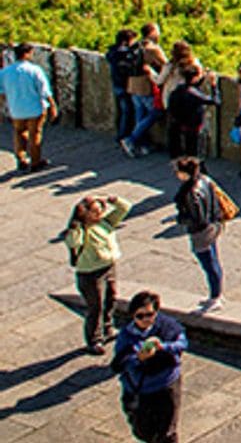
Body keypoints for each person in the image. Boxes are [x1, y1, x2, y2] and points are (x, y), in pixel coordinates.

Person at [112, 290, 188, 443]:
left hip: (166, 383)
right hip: (140, 388)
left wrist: (163, 347)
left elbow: (182, 343)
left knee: (167, 430)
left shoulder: (168, 326)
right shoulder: (126, 336)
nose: (146, 319)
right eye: (140, 316)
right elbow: (120, 361)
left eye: (150, 314)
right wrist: (138, 358)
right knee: (143, 430)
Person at [64, 193, 130, 353]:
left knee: (111, 298)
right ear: (84, 213)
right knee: (96, 306)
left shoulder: (105, 223)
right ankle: (94, 339)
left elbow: (124, 209)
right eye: (94, 211)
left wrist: (114, 200)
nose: (98, 214)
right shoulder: (82, 229)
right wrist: (75, 227)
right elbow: (73, 242)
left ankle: (108, 328)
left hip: (108, 266)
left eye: (100, 210)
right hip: (90, 273)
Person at [172, 157, 226, 312]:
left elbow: (197, 217)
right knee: (214, 261)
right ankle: (217, 293)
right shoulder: (205, 180)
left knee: (208, 264)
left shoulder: (189, 193)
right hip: (214, 225)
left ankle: (215, 297)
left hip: (201, 232)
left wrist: (180, 219)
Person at [1, 42, 56, 172]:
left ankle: (21, 158)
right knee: (35, 134)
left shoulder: (5, 72)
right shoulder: (35, 70)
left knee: (19, 132)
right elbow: (44, 91)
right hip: (35, 108)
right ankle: (35, 162)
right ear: (27, 54)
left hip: (16, 109)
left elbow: (1, 92)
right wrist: (52, 106)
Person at [156, 42, 212, 159]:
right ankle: (191, 156)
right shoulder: (194, 63)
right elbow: (200, 77)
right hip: (190, 99)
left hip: (172, 98)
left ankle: (175, 154)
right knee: (190, 131)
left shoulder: (170, 66)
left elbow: (159, 81)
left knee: (174, 129)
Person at [126, 23, 167, 155]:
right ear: (152, 33)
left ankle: (140, 144)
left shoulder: (136, 45)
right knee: (155, 113)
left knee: (140, 115)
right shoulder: (152, 49)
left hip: (132, 85)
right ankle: (131, 139)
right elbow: (166, 65)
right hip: (146, 86)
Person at [107, 29, 143, 157]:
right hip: (124, 85)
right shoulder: (122, 54)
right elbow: (129, 65)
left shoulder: (112, 52)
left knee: (123, 111)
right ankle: (124, 136)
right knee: (127, 112)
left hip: (117, 85)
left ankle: (122, 135)